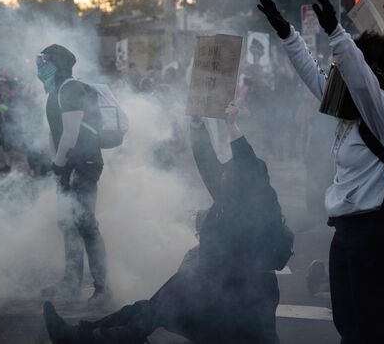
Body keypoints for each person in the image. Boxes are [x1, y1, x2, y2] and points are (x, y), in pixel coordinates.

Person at [43, 102, 282, 344]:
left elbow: (247, 162)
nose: (220, 175)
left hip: (237, 301)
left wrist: (232, 126)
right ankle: (79, 335)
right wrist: (197, 124)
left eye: (227, 173)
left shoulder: (260, 201)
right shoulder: (233, 196)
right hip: (219, 291)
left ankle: (82, 339)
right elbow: (208, 162)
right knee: (145, 312)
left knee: (148, 315)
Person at [259, 0, 384, 343]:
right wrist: (287, 33)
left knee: (376, 328)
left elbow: (359, 79)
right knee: (348, 325)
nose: (339, 75)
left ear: (373, 73)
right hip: (348, 231)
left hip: (378, 233)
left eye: (348, 68)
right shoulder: (352, 107)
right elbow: (314, 78)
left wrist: (337, 33)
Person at [37, 44, 111, 306]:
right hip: (68, 164)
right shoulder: (54, 91)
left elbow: (71, 133)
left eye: (44, 60)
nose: (39, 66)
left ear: (57, 63)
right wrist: (56, 163)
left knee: (85, 224)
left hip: (85, 163)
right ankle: (71, 283)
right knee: (68, 222)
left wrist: (58, 164)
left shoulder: (71, 89)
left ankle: (103, 289)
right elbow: (53, 132)